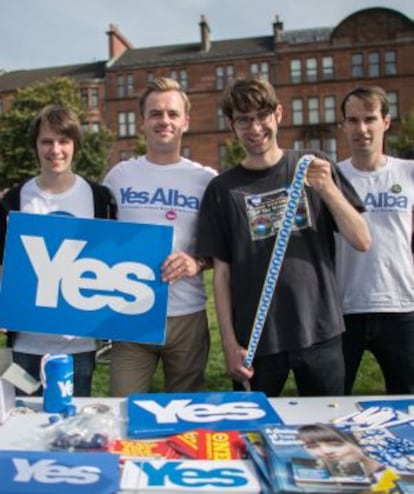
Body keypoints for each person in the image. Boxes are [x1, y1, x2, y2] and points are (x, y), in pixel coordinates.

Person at [196, 76, 371, 397]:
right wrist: (231, 343)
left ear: (278, 114)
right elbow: (221, 275)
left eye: (262, 116)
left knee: (326, 434)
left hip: (320, 331)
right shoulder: (222, 190)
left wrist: (328, 189)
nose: (255, 128)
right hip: (257, 341)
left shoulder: (313, 165)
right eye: (244, 120)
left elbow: (361, 240)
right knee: (252, 433)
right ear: (232, 125)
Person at [103, 77, 217, 396]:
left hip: (187, 316)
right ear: (142, 122)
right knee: (122, 406)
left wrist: (197, 262)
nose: (164, 120)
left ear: (185, 122)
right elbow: (98, 240)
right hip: (130, 316)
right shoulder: (119, 176)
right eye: (155, 113)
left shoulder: (207, 181)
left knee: (185, 416)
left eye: (172, 113)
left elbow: (223, 248)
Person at [0, 104, 117, 396]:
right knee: (23, 427)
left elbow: (111, 261)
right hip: (26, 344)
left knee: (70, 429)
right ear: (35, 146)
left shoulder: (99, 198)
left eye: (63, 141)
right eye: (46, 141)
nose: (56, 150)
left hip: (78, 345)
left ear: (75, 144)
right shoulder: (14, 201)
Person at [335, 86, 414, 395]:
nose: (362, 129)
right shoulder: (330, 178)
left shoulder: (408, 174)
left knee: (408, 404)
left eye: (370, 119)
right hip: (343, 310)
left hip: (402, 307)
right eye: (353, 120)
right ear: (343, 125)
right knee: (330, 404)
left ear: (386, 122)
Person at [297, 424, 387, 483]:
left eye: (336, 445)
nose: (326, 451)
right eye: (313, 447)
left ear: (357, 441)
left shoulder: (394, 474)